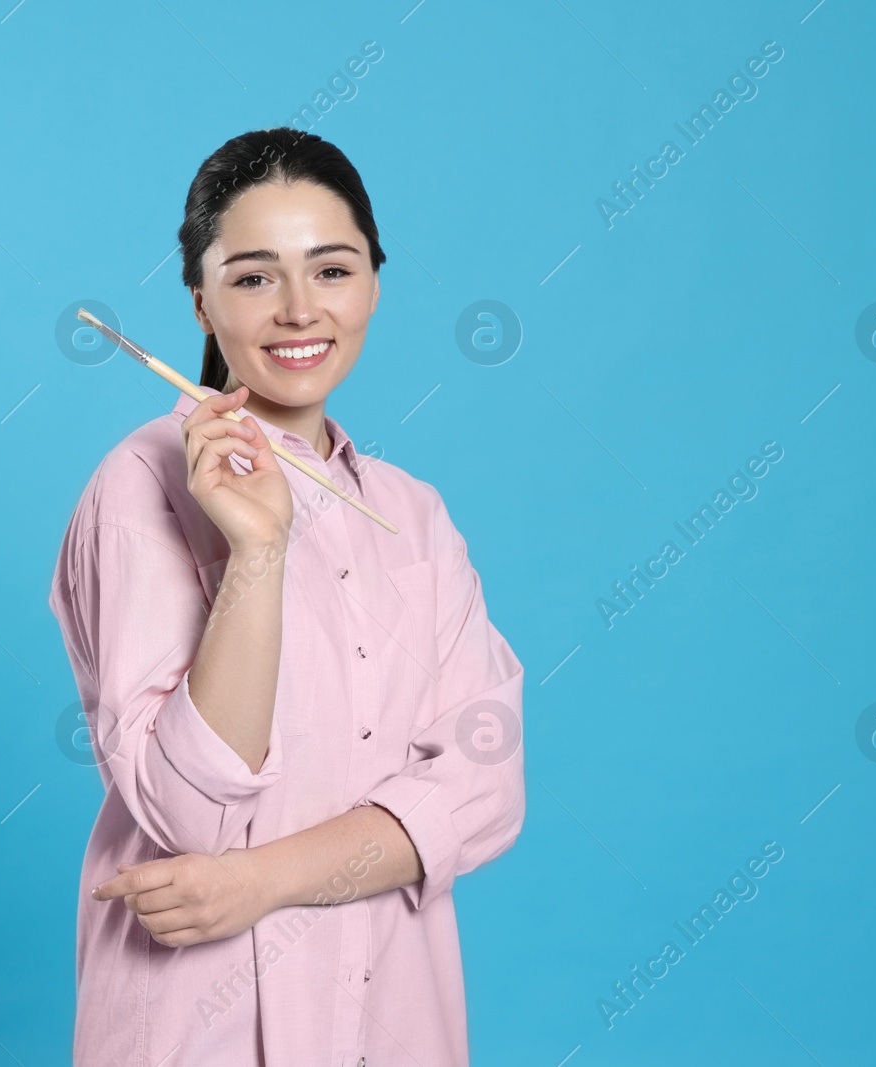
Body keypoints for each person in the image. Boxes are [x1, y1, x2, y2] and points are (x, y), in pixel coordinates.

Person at [47, 126, 525, 1067]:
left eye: (333, 270)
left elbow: (483, 789)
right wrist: (256, 549)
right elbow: (190, 815)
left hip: (394, 1023)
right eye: (256, 276)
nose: (300, 311)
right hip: (200, 1029)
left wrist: (259, 881)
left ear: (375, 286)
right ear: (201, 300)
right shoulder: (138, 485)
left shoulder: (414, 516)